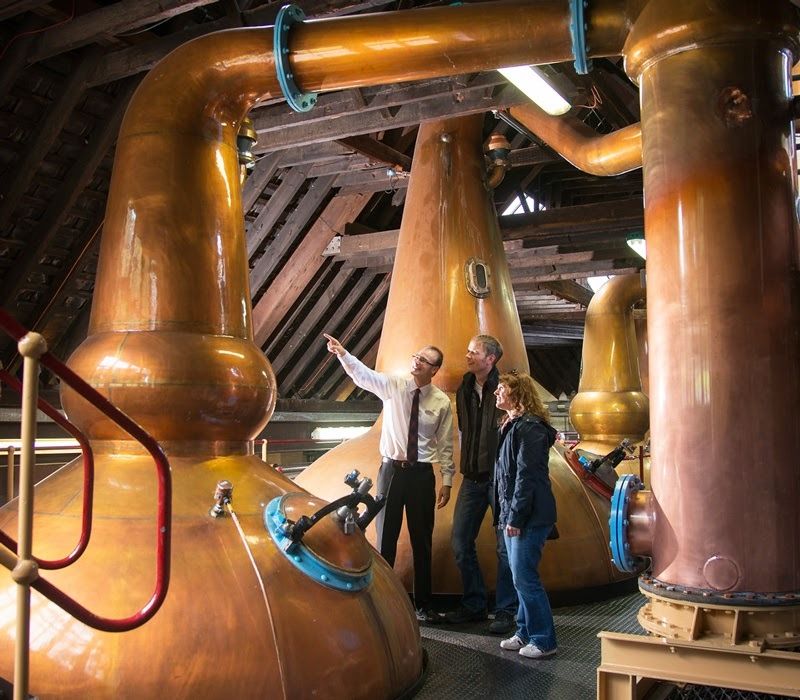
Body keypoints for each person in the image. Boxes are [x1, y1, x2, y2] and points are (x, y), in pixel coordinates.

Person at [324, 333, 454, 623]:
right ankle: (382, 602)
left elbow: (445, 444)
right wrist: (343, 354)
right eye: (415, 357)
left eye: (423, 360)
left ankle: (423, 606)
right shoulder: (394, 385)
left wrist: (446, 479)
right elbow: (364, 376)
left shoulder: (441, 402)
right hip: (392, 471)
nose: (416, 362)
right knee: (386, 538)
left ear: (434, 370)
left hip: (421, 475)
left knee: (423, 541)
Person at [445, 335, 517, 635]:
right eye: (468, 350)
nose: (468, 355)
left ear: (491, 359)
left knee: (504, 549)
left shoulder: (505, 389)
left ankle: (506, 611)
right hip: (472, 478)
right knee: (460, 543)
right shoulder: (463, 388)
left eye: (474, 352)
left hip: (499, 481)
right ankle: (474, 604)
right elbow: (465, 431)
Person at [494, 371, 558, 659]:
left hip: (529, 517)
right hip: (515, 513)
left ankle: (544, 640)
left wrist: (516, 519)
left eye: (501, 389)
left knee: (525, 578)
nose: (496, 392)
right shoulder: (512, 425)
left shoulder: (529, 428)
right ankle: (524, 632)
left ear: (517, 395)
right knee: (518, 577)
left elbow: (526, 477)